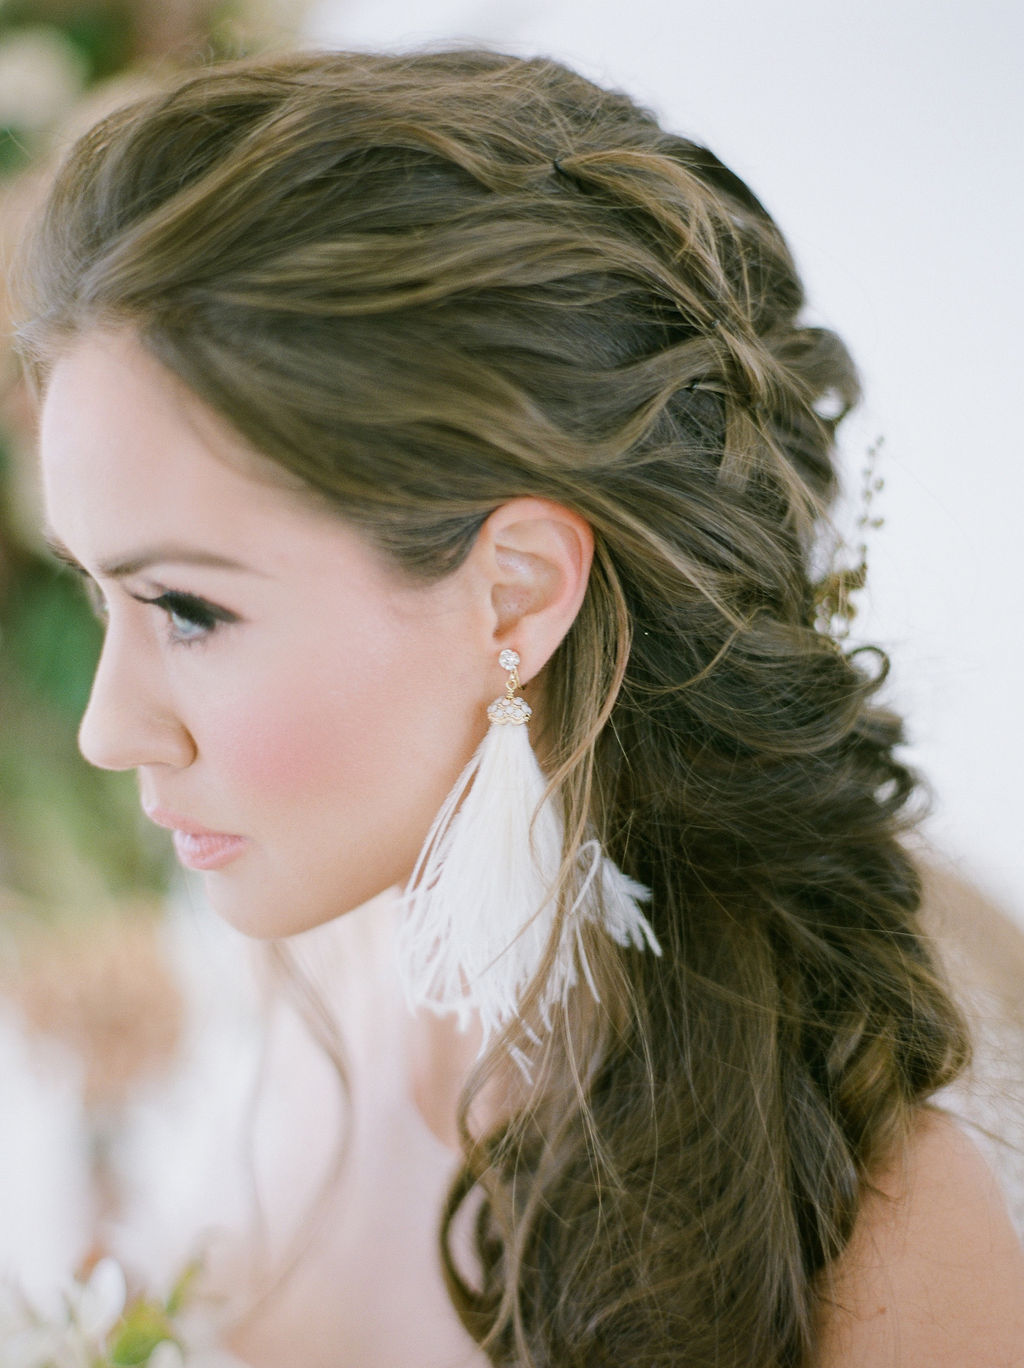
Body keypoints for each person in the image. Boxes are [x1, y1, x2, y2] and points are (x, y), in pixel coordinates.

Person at [13, 47, 1024, 1368]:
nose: (106, 729)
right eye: (99, 595)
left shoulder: (882, 1238)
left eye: (190, 612)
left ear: (517, 595)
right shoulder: (318, 962)